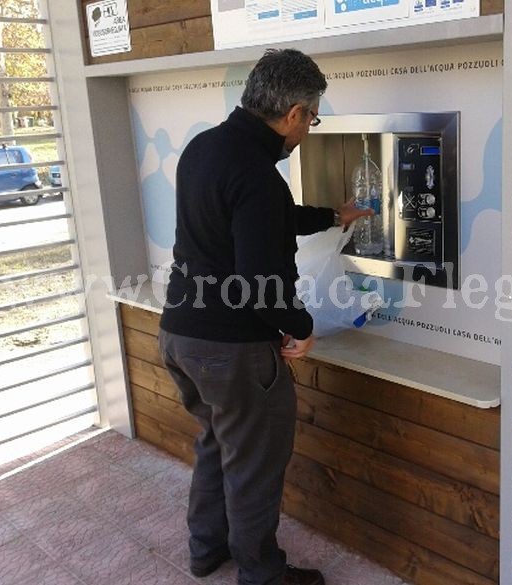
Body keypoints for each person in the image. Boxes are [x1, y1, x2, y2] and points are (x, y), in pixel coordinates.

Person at [158, 49, 371, 585]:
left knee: (216, 443)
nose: (308, 129)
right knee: (253, 466)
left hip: (180, 335)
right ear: (295, 113)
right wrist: (300, 328)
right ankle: (262, 574)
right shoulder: (257, 173)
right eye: (313, 118)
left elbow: (260, 219)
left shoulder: (205, 148)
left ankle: (205, 550)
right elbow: (260, 282)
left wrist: (332, 216)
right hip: (231, 351)